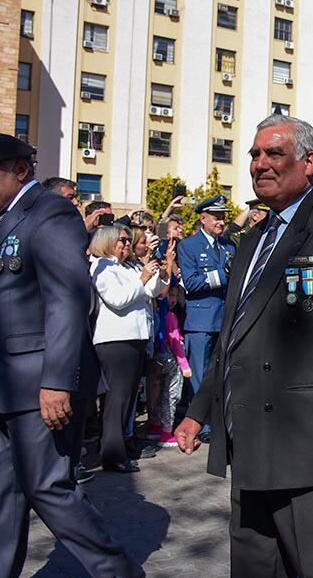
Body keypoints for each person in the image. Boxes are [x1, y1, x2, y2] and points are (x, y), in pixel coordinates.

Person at [176, 114, 313, 578]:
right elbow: (232, 337)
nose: (259, 164)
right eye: (254, 154)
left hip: (307, 447)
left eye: (274, 154)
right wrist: (197, 410)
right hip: (249, 441)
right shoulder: (251, 240)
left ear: (308, 162)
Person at [0, 132, 143, 578]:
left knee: (48, 488)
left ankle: (114, 570)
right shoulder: (3, 219)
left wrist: (57, 381)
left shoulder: (51, 213)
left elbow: (68, 298)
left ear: (20, 170)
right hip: (0, 383)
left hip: (42, 382)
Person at [89, 225, 167, 472]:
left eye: (126, 240)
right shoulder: (102, 267)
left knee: (127, 399)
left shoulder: (127, 267)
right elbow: (118, 300)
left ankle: (119, 449)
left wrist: (161, 273)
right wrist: (142, 277)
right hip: (116, 340)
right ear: (107, 242)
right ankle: (112, 455)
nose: (126, 244)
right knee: (117, 400)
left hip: (134, 338)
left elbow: (149, 292)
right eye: (121, 240)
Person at [176, 195, 236, 417]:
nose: (221, 222)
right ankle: (200, 421)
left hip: (225, 319)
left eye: (223, 217)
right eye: (216, 218)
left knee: (222, 374)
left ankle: (218, 420)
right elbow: (191, 283)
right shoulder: (188, 246)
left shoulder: (229, 245)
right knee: (200, 377)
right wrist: (223, 274)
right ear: (203, 218)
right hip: (201, 321)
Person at [148, 284, 190, 448]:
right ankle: (166, 432)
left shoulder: (155, 314)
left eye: (174, 296)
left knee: (158, 395)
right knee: (171, 394)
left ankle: (155, 426)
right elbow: (175, 343)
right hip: (171, 358)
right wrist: (184, 365)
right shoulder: (170, 317)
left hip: (157, 357)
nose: (172, 299)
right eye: (169, 295)